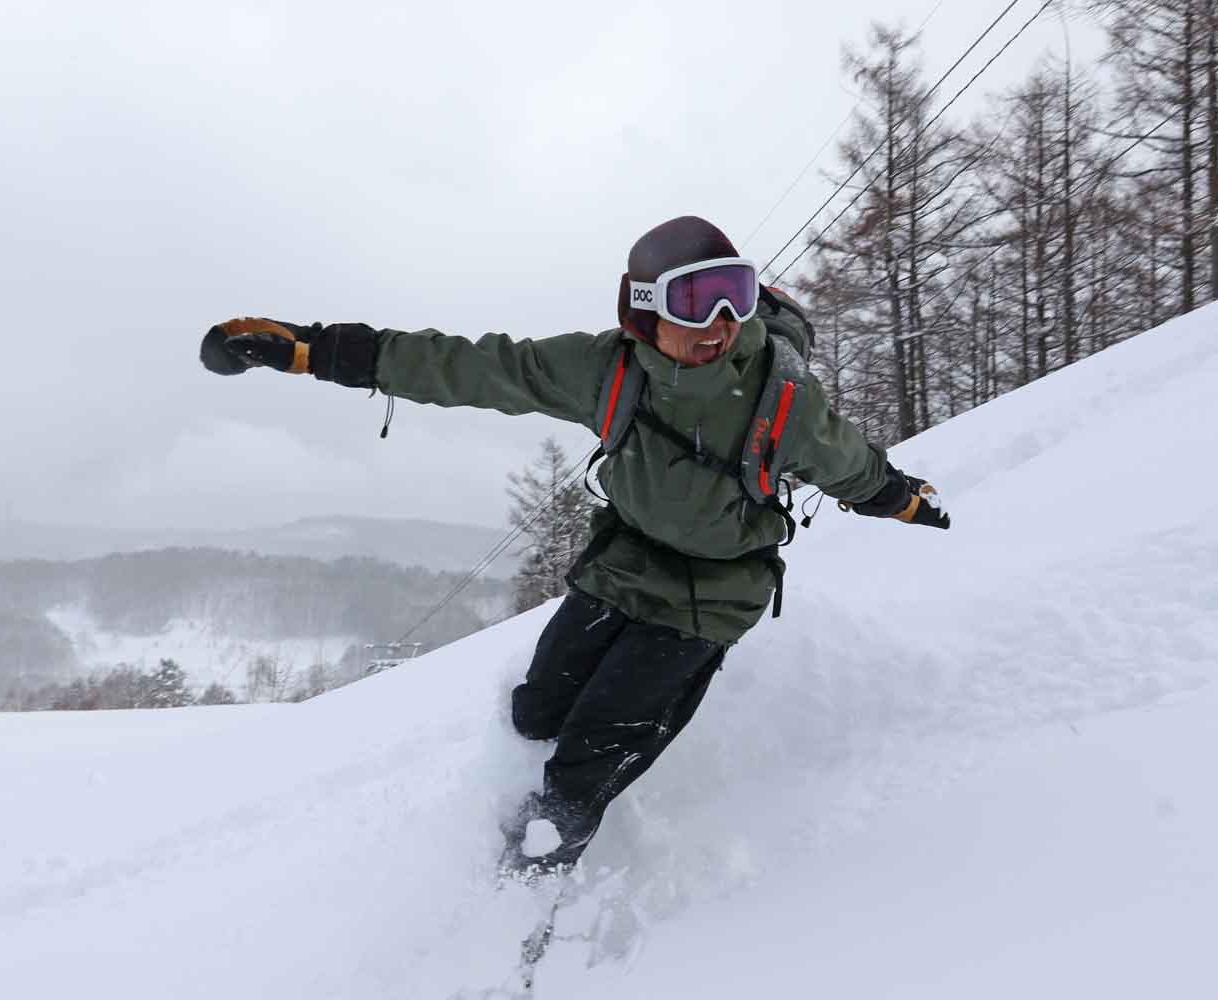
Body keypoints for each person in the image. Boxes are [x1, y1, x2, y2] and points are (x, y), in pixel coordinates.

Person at [200, 215, 949, 877]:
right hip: (624, 562)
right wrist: (314, 350)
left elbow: (851, 464)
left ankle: (532, 879)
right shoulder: (607, 369)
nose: (720, 322)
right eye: (695, 299)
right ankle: (521, 821)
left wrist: (906, 499)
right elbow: (473, 366)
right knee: (537, 713)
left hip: (714, 595)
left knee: (591, 752)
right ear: (645, 310)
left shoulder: (783, 400)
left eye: (736, 294)